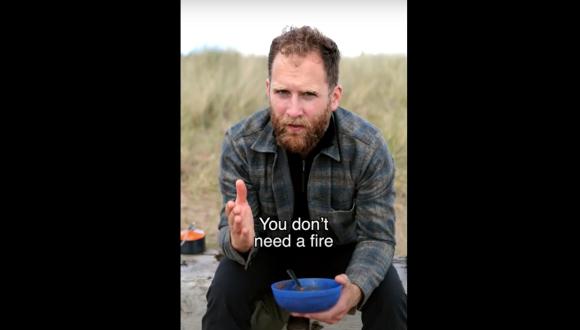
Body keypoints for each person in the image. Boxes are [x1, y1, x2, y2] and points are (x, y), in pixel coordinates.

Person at [202, 26, 407, 330]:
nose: (293, 110)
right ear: (268, 89)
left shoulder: (367, 148)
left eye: (309, 95)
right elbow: (229, 230)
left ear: (334, 96)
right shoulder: (239, 143)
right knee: (224, 292)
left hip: (340, 251)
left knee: (391, 298)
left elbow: (377, 237)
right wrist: (239, 241)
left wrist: (354, 290)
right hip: (268, 250)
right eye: (282, 93)